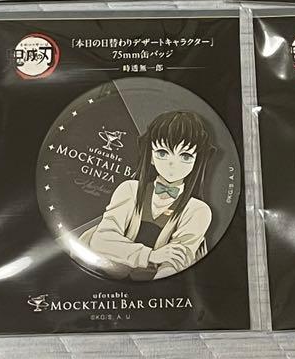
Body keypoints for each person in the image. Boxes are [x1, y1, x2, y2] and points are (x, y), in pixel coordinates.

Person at [80, 110, 215, 280]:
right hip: (102, 272)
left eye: (186, 156)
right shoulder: (130, 189)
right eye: (163, 153)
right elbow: (102, 240)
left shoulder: (198, 210)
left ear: (197, 161)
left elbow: (177, 261)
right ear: (150, 156)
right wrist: (151, 255)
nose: (173, 164)